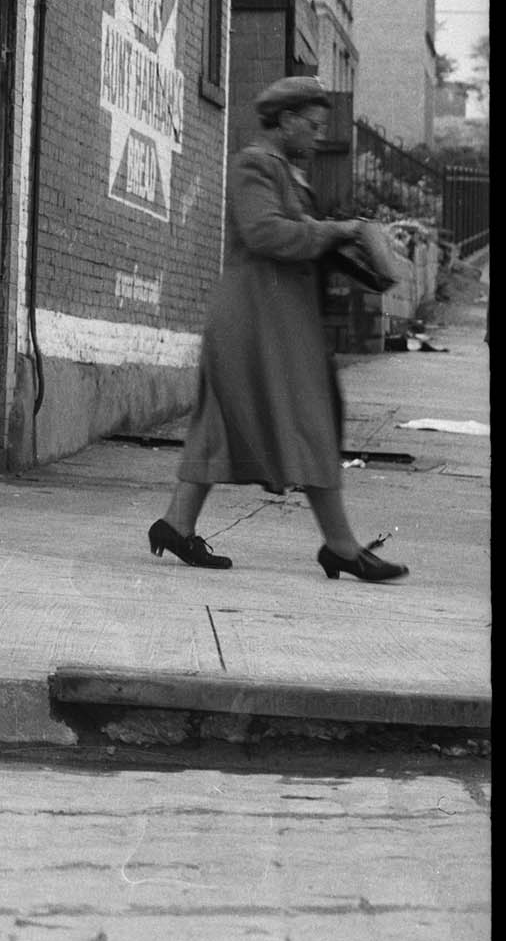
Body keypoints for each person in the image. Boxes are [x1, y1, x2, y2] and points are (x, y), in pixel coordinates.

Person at [148, 74, 410, 583]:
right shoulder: (253, 165)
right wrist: (339, 230)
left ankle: (175, 525)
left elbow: (302, 238)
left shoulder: (283, 171)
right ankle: (341, 547)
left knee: (221, 423)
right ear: (285, 121)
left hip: (266, 316)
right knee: (310, 418)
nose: (316, 137)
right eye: (310, 127)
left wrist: (353, 250)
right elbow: (264, 231)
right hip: (257, 320)